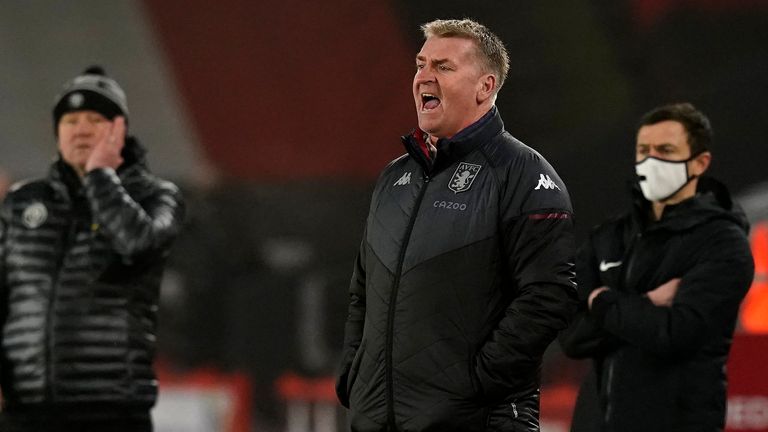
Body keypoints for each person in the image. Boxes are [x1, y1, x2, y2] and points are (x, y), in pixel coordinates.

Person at [335, 19, 577, 431]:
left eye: (444, 67)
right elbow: (363, 290)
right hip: (376, 419)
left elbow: (549, 295)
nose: (423, 77)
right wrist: (354, 377)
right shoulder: (393, 178)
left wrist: (476, 382)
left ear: (485, 87)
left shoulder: (523, 173)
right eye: (420, 64)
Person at [0, 66, 184, 431]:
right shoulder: (21, 203)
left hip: (110, 412)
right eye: (70, 121)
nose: (80, 129)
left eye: (94, 119)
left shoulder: (155, 196)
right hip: (25, 412)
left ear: (119, 130)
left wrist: (100, 176)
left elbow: (138, 244)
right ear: (57, 132)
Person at [560, 103, 754, 432]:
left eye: (665, 150)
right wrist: (646, 305)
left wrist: (601, 302)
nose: (651, 160)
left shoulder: (722, 243)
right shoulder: (609, 237)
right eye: (643, 150)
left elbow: (675, 333)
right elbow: (571, 337)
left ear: (699, 162)